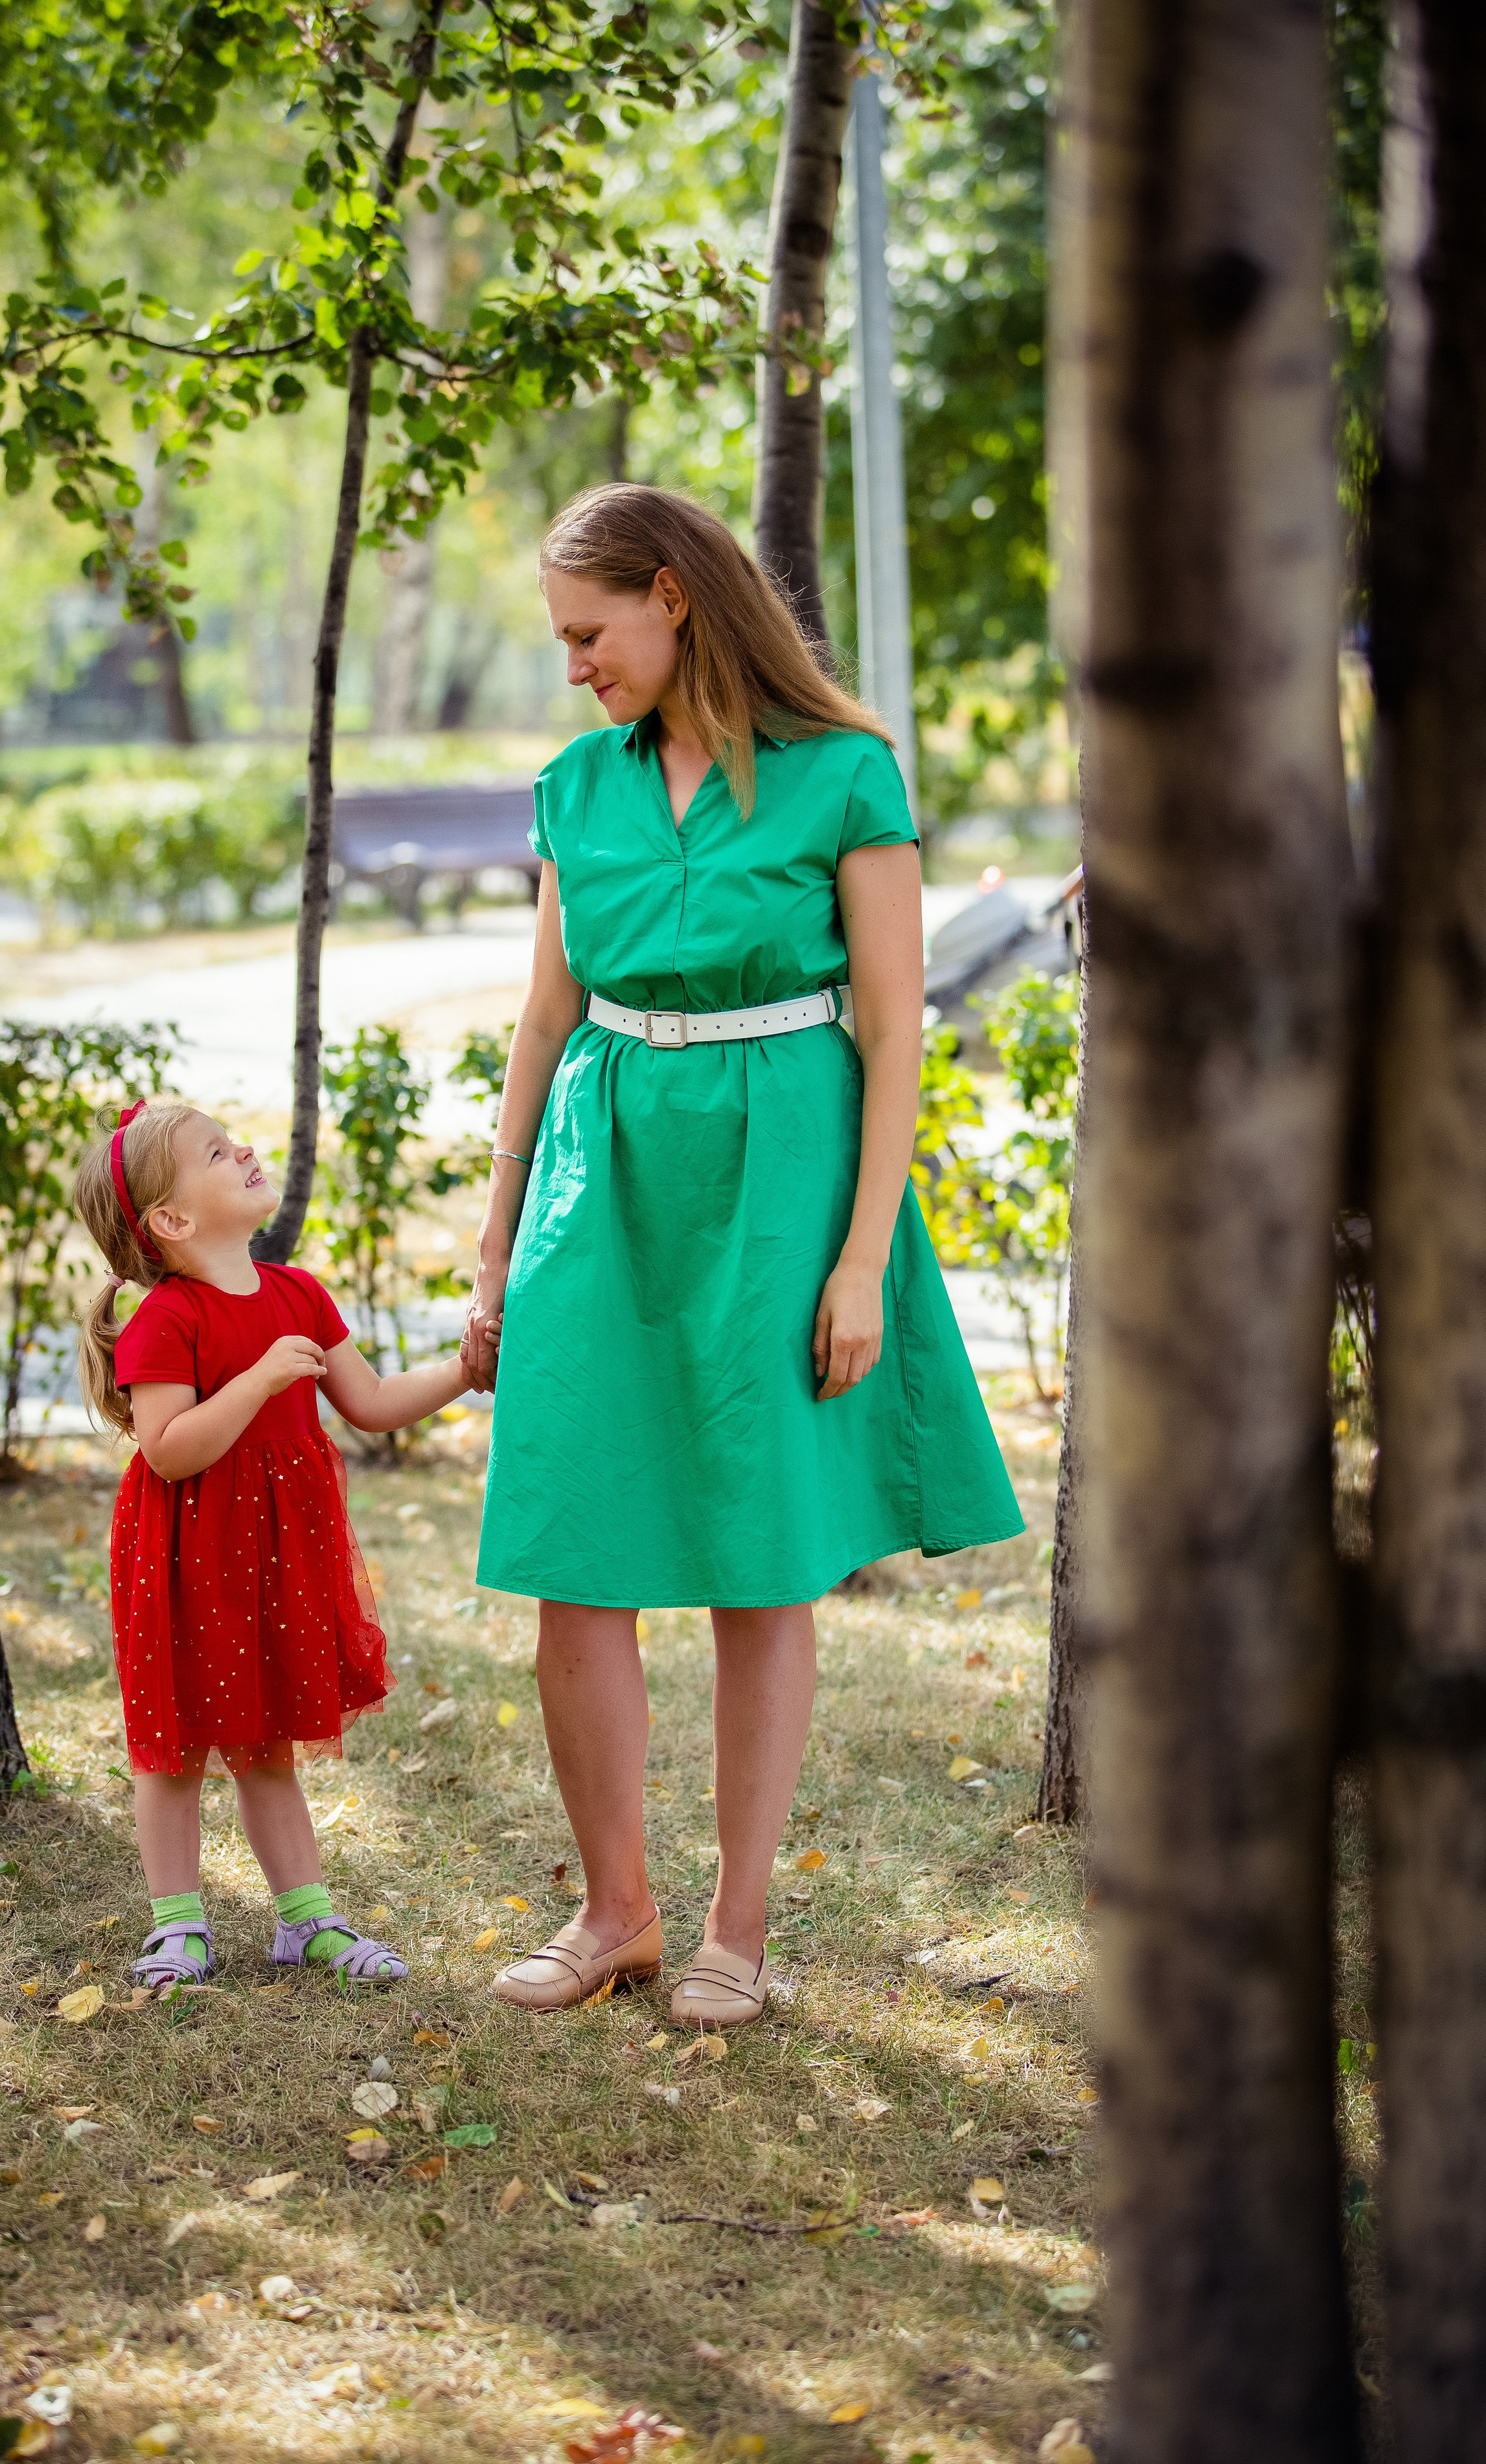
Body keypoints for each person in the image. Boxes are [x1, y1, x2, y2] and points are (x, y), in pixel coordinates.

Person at [463, 483, 1023, 2029]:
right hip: (603, 1174)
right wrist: (497, 1233)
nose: (574, 664)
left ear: (673, 596)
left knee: (757, 1564)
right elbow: (544, 1017)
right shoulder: (575, 787)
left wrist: (859, 1262)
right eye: (562, 640)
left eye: (589, 632)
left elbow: (894, 1031)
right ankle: (614, 1914)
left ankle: (736, 1928)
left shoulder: (845, 773)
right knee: (572, 1552)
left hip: (782, 1176)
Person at [74, 1098, 475, 1994]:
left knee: (267, 1745)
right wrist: (257, 1381)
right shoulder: (166, 1320)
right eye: (218, 1153)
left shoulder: (298, 1294)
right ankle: (178, 1929)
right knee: (174, 1748)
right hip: (188, 1560)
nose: (246, 1150)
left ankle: (308, 1922)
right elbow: (169, 1450)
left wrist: (465, 1370)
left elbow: (371, 1403)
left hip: (279, 1553)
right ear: (173, 1222)